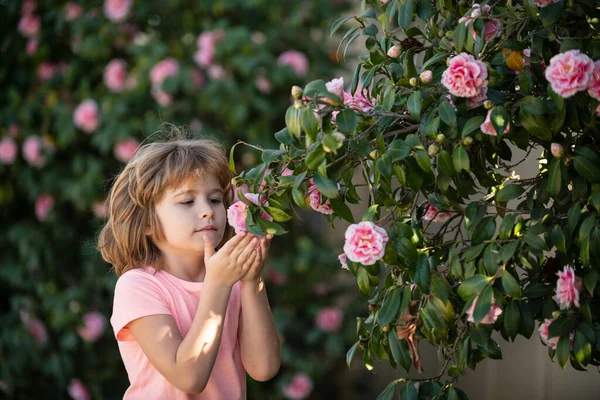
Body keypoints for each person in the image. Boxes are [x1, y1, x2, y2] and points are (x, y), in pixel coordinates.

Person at [97, 129, 281, 399]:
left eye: (215, 199)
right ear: (147, 222)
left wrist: (253, 281)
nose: (207, 210)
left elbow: (263, 368)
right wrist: (218, 284)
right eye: (187, 201)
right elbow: (189, 377)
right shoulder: (138, 286)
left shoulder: (231, 278)